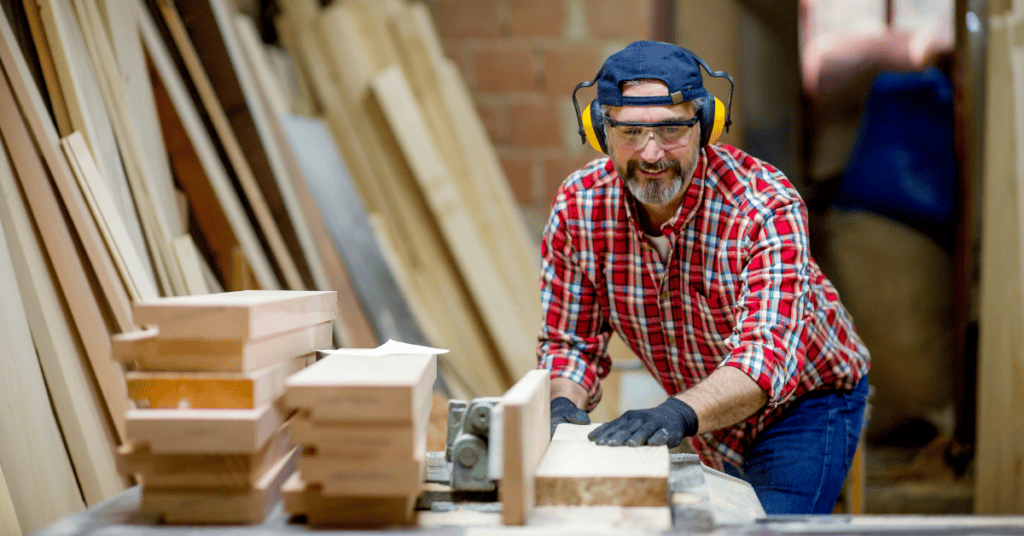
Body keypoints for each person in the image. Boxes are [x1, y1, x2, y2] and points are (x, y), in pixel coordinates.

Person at [538, 40, 871, 515]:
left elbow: (763, 360)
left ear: (705, 126)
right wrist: (562, 403)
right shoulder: (579, 208)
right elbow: (571, 344)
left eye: (672, 129)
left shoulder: (764, 206)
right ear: (600, 131)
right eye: (631, 132)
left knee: (763, 526)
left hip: (804, 401)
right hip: (703, 410)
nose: (651, 153)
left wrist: (676, 413)